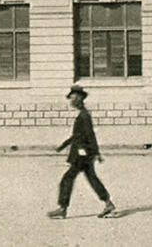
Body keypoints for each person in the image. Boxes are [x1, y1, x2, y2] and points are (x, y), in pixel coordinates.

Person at [47, 85, 114, 219]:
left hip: (82, 154)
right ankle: (108, 203)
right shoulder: (82, 114)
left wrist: (96, 152)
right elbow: (77, 135)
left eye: (72, 98)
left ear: (79, 98)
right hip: (83, 153)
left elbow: (90, 134)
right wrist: (62, 146)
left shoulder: (84, 115)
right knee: (91, 178)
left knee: (67, 179)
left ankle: (63, 208)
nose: (71, 101)